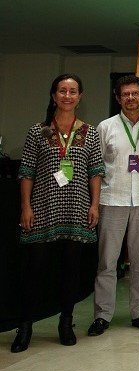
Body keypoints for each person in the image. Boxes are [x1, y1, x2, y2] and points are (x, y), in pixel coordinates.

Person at [13, 73, 104, 352]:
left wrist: (94, 205)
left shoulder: (90, 132)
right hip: (43, 209)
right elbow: (27, 171)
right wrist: (26, 206)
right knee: (34, 270)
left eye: (72, 91)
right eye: (62, 91)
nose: (67, 96)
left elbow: (95, 171)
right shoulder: (38, 131)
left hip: (77, 211)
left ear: (80, 97)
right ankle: (25, 326)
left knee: (71, 271)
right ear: (54, 96)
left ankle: (66, 323)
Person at [87, 75, 139, 337]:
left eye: (135, 93)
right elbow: (98, 165)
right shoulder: (105, 127)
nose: (131, 98)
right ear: (118, 98)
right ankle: (102, 315)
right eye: (125, 94)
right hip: (112, 200)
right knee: (107, 261)